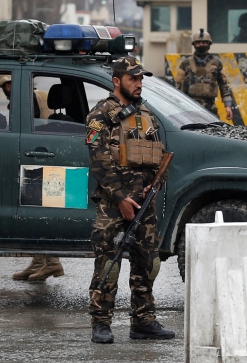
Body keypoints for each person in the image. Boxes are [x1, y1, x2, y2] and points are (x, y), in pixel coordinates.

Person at [85, 57, 175, 344]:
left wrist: (153, 183)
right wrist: (121, 198)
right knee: (108, 263)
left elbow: (153, 153)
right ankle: (101, 323)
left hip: (143, 201)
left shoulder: (145, 113)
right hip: (114, 202)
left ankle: (144, 322)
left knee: (148, 263)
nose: (139, 83)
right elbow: (98, 162)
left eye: (140, 79)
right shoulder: (100, 114)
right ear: (117, 81)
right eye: (133, 79)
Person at [0, 74, 65, 281]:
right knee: (34, 211)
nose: (8, 88)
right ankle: (40, 261)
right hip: (42, 155)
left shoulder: (26, 100)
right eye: (6, 85)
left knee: (39, 212)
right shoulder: (36, 95)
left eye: (9, 83)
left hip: (40, 157)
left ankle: (51, 262)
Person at [173, 29, 234, 119]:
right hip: (189, 108)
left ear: (209, 44)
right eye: (198, 42)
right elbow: (177, 85)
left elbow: (224, 86)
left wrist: (227, 106)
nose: (201, 45)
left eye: (204, 42)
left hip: (209, 108)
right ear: (194, 44)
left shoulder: (216, 64)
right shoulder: (185, 64)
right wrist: (176, 105)